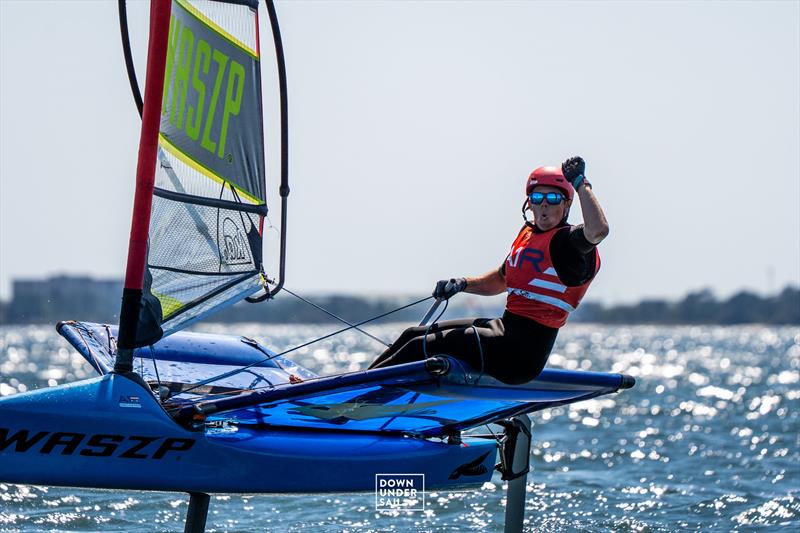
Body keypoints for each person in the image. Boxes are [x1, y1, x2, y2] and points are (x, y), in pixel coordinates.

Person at [368, 156, 609, 385]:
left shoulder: (568, 243)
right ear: (529, 203)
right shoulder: (528, 236)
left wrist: (580, 184)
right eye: (537, 198)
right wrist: (463, 283)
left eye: (553, 199)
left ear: (566, 205)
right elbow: (500, 280)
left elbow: (598, 230)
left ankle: (356, 399)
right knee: (412, 335)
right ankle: (352, 389)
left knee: (417, 348)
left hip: (518, 357)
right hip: (503, 331)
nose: (544, 206)